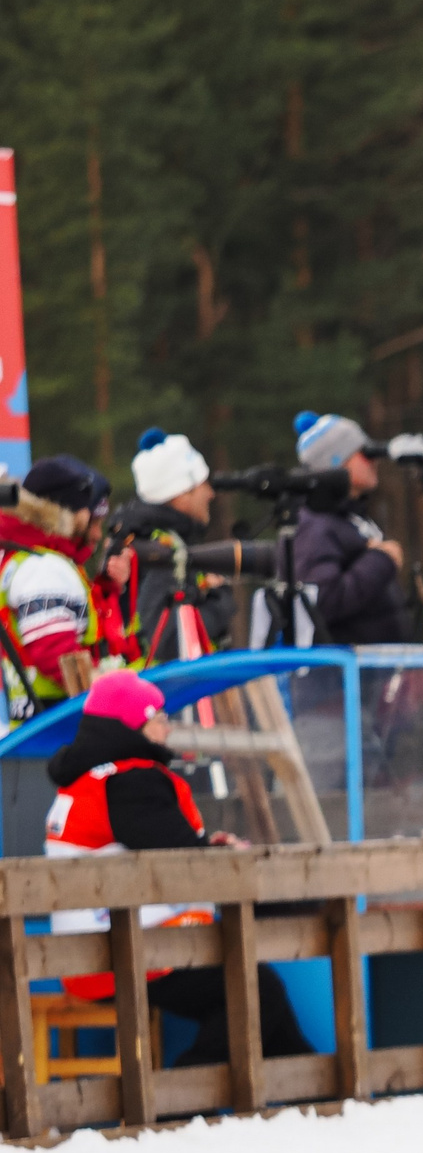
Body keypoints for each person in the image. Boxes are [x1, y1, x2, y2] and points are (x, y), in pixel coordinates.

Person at [43, 670, 309, 1065]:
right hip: (126, 953)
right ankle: (180, 1103)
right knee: (255, 987)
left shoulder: (90, 779)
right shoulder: (131, 781)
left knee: (257, 988)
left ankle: (317, 1094)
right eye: (159, 718)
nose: (167, 728)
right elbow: (188, 863)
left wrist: (209, 848)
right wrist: (280, 892)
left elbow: (164, 848)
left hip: (94, 953)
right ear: (133, 727)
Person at [105, 429, 280, 663]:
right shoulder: (162, 550)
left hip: (151, 691)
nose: (210, 494)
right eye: (202, 485)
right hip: (162, 694)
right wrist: (219, 599)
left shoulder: (145, 539)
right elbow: (169, 645)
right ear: (181, 494)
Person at [1, 454, 136, 717]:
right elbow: (55, 652)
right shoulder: (44, 568)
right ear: (66, 515)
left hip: (43, 727)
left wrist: (108, 589)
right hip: (61, 728)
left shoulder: (33, 560)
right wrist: (117, 700)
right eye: (91, 522)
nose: (97, 534)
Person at [289, 412, 409, 644]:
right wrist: (381, 560)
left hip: (369, 673)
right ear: (337, 462)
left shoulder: (346, 519)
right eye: (365, 454)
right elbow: (323, 600)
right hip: (344, 676)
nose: (375, 460)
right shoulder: (314, 526)